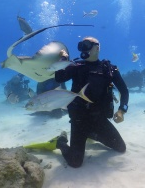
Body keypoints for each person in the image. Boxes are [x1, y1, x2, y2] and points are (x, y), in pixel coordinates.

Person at [54, 36, 129, 168]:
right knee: (75, 163)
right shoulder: (76, 66)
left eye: (87, 44)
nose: (83, 48)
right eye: (81, 45)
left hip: (99, 119)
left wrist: (122, 110)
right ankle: (60, 142)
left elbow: (124, 91)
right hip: (79, 120)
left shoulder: (109, 69)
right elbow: (59, 78)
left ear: (97, 47)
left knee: (121, 148)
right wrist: (63, 59)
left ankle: (92, 134)